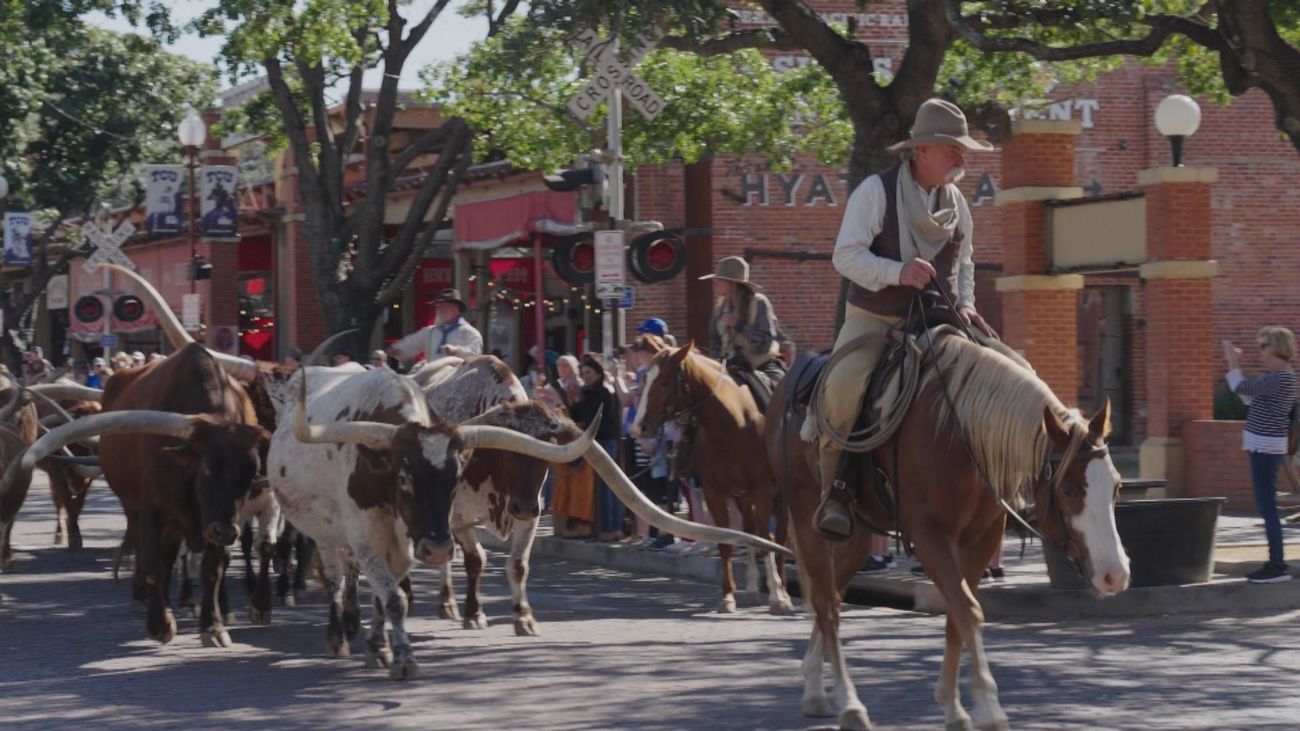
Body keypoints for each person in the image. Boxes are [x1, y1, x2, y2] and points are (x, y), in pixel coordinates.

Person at [815, 98, 997, 541]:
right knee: (843, 387)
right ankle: (835, 490)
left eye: (962, 149)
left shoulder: (958, 204)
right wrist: (897, 272)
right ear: (921, 151)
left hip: (944, 319)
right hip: (877, 317)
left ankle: (1005, 484)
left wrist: (969, 304)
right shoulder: (875, 192)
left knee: (1013, 372)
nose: (960, 157)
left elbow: (966, 261)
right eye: (950, 148)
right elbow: (845, 256)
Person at [1223, 327, 1297, 584]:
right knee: (1266, 507)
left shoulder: (1280, 378)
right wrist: (1237, 366)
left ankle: (1277, 566)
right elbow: (1247, 397)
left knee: (1268, 508)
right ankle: (1275, 564)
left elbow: (1239, 387)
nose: (1260, 351)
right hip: (1263, 446)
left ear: (1277, 347)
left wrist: (1232, 361)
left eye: (1264, 345)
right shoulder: (1278, 377)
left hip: (1266, 447)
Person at [702, 256, 785, 411]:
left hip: (761, 366)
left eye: (720, 280)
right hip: (729, 368)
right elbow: (714, 344)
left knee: (781, 399)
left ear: (732, 284)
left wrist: (739, 325)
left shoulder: (759, 303)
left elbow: (766, 343)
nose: (717, 283)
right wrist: (717, 367)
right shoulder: (719, 310)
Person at [569, 355, 623, 542]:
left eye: (589, 372)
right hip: (601, 440)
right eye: (583, 373)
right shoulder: (590, 392)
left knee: (606, 487)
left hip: (604, 441)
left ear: (598, 373)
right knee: (610, 486)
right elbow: (576, 413)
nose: (586, 376)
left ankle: (608, 529)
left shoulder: (601, 392)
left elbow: (587, 416)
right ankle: (613, 528)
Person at [387, 288, 483, 364]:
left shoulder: (469, 333)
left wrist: (456, 351)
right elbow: (412, 342)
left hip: (458, 381)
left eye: (442, 306)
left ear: (454, 309)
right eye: (437, 307)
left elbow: (476, 355)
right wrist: (397, 350)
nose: (438, 310)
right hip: (433, 379)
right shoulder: (430, 332)